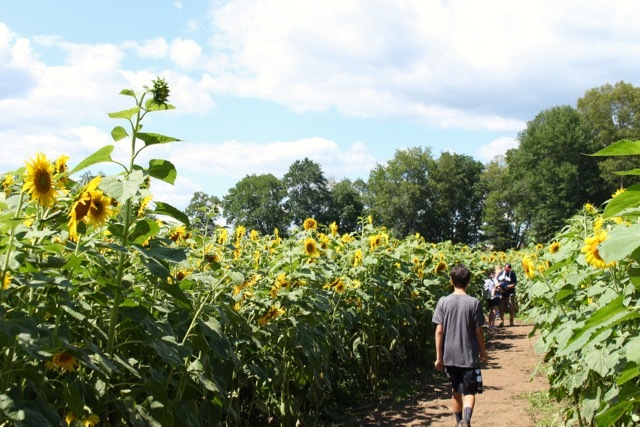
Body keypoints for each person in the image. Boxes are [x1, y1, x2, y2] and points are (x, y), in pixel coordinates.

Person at [433, 264, 489, 427]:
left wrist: (438, 356)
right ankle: (466, 419)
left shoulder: (443, 302)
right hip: (469, 355)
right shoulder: (474, 302)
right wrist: (483, 352)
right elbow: (478, 331)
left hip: (449, 355)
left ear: (451, 280)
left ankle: (458, 423)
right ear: (469, 281)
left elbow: (439, 331)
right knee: (470, 391)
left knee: (455, 390)